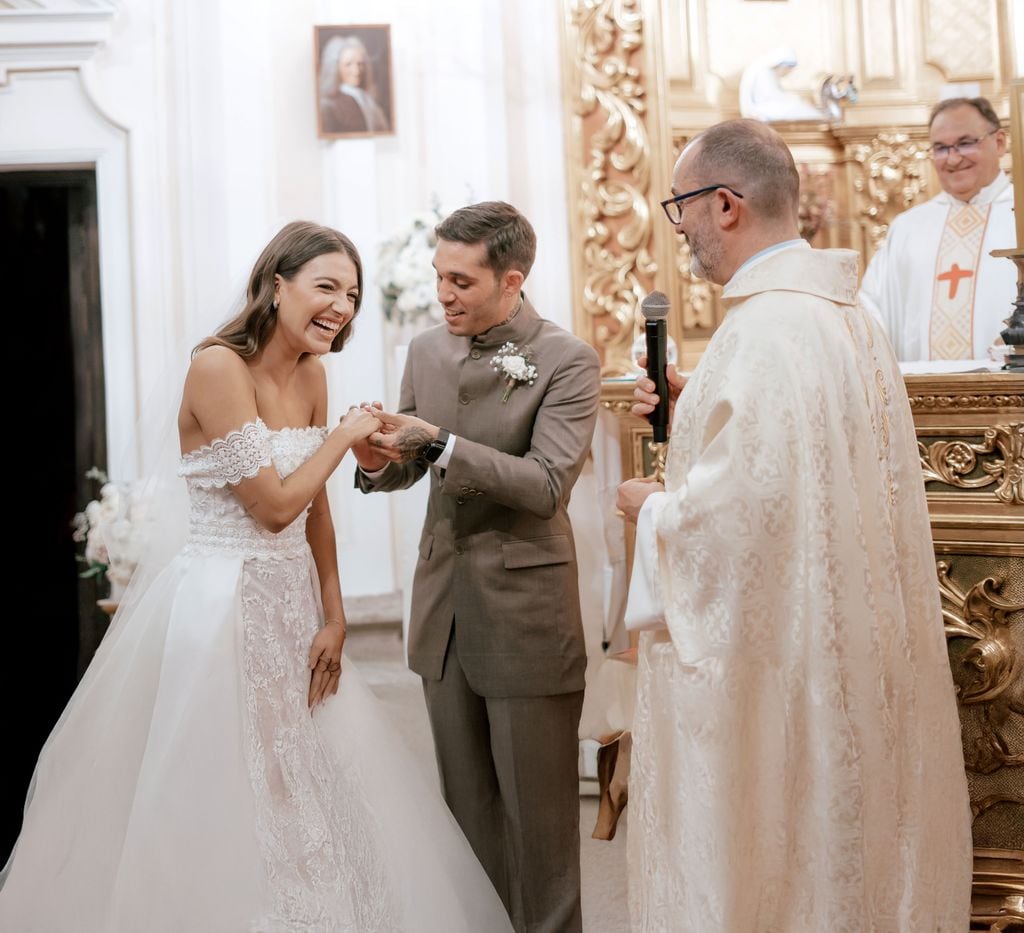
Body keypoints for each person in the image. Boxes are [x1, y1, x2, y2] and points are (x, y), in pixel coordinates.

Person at [0, 221, 512, 932]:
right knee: (226, 778)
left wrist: (333, 616)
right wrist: (342, 434)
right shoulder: (217, 368)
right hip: (217, 605)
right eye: (326, 286)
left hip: (292, 605)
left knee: (307, 775)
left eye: (352, 293)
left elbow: (315, 510)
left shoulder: (311, 371)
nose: (342, 306)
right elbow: (273, 506)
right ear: (277, 285)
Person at [617, 119, 972, 931]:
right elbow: (805, 472)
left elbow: (741, 523)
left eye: (683, 208)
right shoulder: (842, 316)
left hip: (781, 663)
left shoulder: (767, 331)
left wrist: (653, 511)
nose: (683, 231)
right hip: (841, 639)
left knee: (773, 858)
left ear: (727, 204)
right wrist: (689, 402)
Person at [355, 201, 601, 933]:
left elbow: (546, 484)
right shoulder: (426, 351)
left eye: (461, 280)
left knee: (541, 831)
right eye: (439, 277)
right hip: (444, 615)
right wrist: (376, 465)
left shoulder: (567, 360)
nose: (445, 294)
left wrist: (442, 445)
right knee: (465, 825)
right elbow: (409, 460)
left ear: (511, 279)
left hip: (527, 616)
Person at [860, 96, 1014, 361]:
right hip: (922, 398)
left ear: (999, 142)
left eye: (965, 143)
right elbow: (872, 309)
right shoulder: (908, 228)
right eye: (941, 148)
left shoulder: (1018, 216)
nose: (952, 159)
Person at [318, 34, 389, 135]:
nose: (356, 71)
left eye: (360, 64)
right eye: (348, 64)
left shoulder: (369, 101)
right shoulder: (329, 106)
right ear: (335, 67)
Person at [738, 47, 824, 122]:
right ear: (783, 65)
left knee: (801, 106)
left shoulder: (765, 70)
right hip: (760, 111)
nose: (787, 73)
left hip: (763, 107)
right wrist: (798, 99)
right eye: (788, 69)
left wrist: (798, 99)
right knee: (799, 108)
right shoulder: (764, 73)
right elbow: (771, 97)